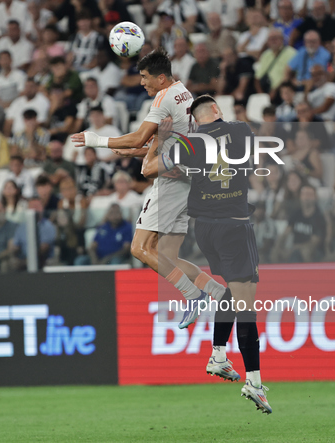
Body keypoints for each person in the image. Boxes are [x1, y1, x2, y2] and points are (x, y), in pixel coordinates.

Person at [71, 48, 228, 328]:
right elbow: (164, 140)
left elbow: (140, 136)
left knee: (140, 248)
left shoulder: (164, 97)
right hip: (189, 177)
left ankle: (193, 295)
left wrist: (97, 140)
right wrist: (141, 149)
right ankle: (217, 292)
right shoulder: (183, 92)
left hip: (172, 182)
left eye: (145, 77)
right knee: (166, 255)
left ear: (161, 78)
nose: (141, 82)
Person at [140, 94, 272, 413]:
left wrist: (162, 139)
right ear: (215, 110)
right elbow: (249, 163)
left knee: (231, 290)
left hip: (205, 230)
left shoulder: (189, 143)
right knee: (246, 306)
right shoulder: (240, 130)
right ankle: (253, 382)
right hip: (234, 226)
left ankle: (217, 355)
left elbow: (150, 169)